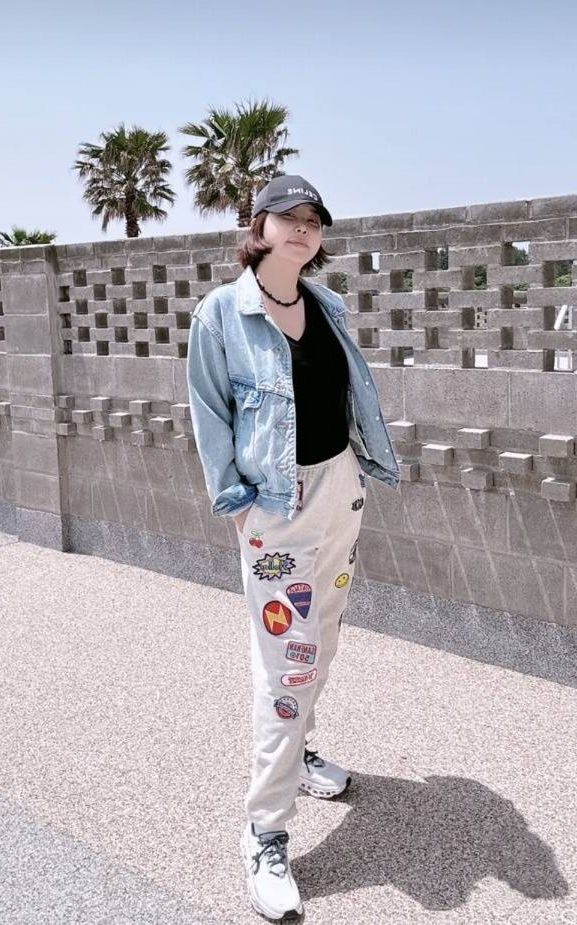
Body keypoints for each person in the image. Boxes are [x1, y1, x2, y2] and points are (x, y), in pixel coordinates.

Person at [186, 174, 400, 920]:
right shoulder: (221, 313)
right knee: (288, 664)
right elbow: (209, 415)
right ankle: (265, 831)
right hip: (275, 510)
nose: (303, 228)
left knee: (323, 642)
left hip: (339, 493)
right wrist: (238, 506)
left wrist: (358, 473)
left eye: (314, 219)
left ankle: (300, 753)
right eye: (289, 216)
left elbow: (348, 399)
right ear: (259, 227)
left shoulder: (327, 306)